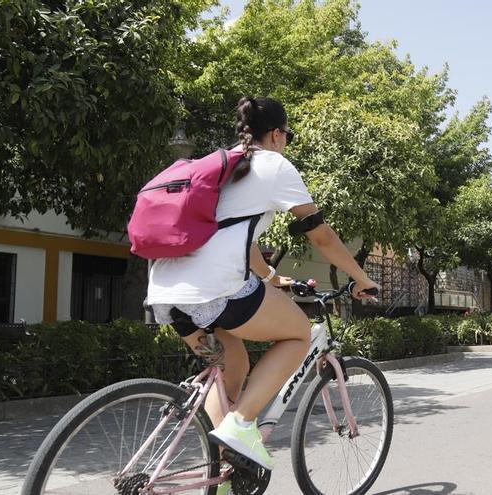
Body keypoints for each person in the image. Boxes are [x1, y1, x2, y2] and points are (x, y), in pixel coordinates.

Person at [146, 96, 380, 474]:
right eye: (287, 135)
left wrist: (271, 278)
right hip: (215, 289)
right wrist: (361, 277)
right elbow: (320, 235)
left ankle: (218, 476)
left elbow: (241, 239)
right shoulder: (273, 165)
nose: (286, 142)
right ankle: (240, 427)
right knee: (298, 334)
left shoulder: (222, 166)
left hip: (166, 291)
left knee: (231, 369)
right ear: (275, 134)